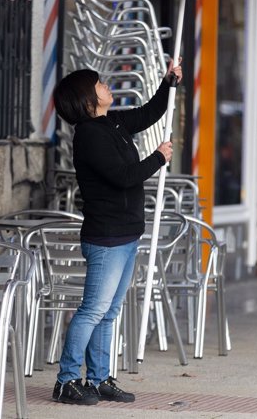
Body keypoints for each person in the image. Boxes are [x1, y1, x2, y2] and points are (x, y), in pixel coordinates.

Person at [51, 59, 182, 406]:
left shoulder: (112, 122)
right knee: (93, 310)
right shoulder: (90, 137)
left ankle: (98, 378)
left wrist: (168, 82)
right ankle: (66, 381)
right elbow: (123, 176)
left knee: (109, 312)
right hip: (106, 238)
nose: (106, 85)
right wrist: (158, 157)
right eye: (99, 83)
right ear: (86, 97)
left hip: (126, 234)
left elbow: (149, 113)